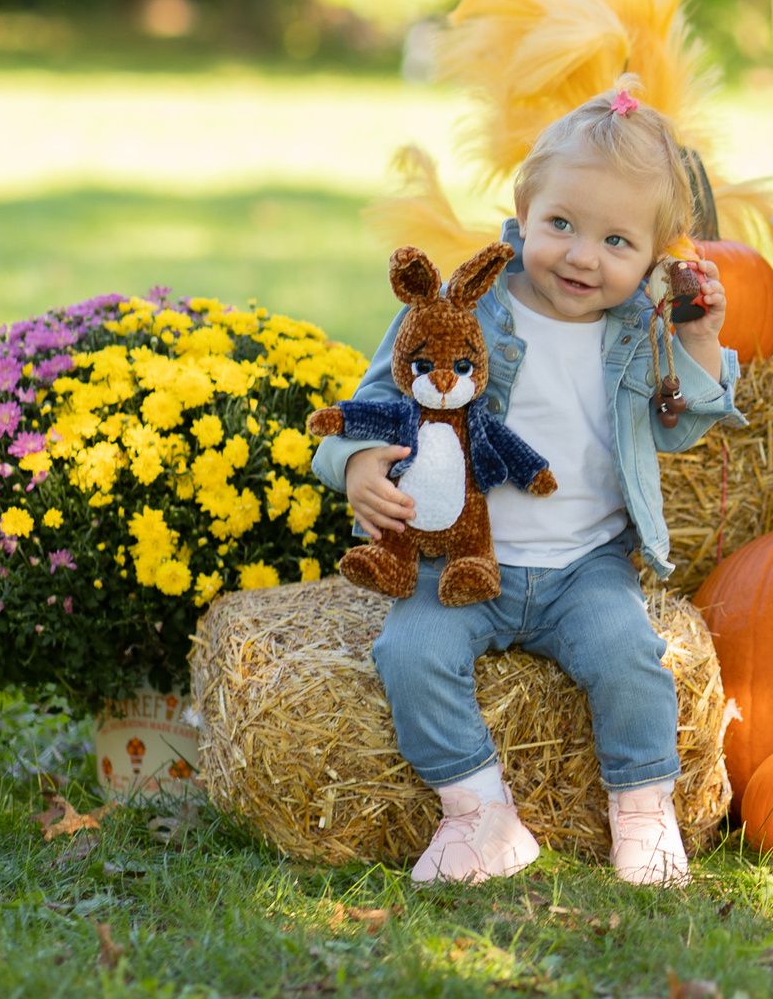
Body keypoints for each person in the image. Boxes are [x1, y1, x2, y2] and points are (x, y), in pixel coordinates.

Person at [310, 82, 742, 886]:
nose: (582, 256)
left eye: (617, 241)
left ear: (657, 257)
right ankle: (481, 815)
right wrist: (359, 465)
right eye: (562, 226)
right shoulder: (466, 310)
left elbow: (682, 420)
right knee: (408, 651)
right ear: (523, 208)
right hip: (464, 557)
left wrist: (702, 340)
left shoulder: (640, 331)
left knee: (631, 659)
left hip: (587, 563)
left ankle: (643, 814)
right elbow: (371, 401)